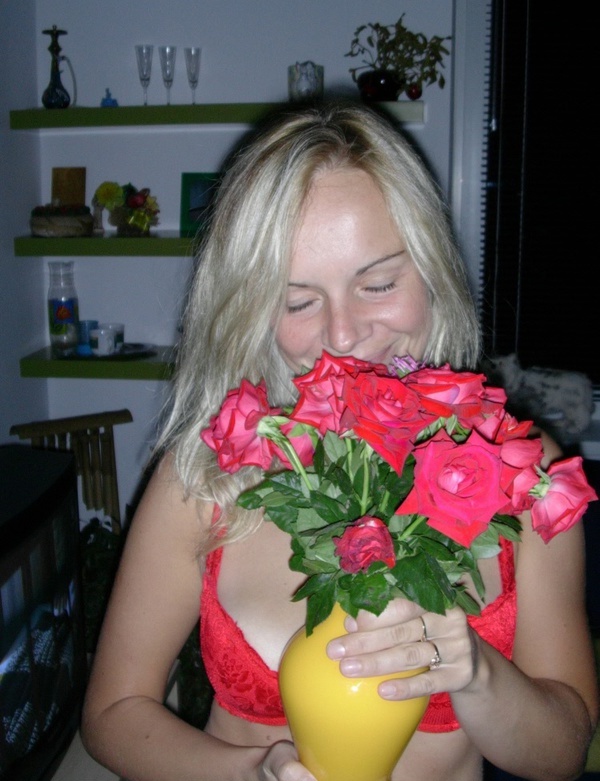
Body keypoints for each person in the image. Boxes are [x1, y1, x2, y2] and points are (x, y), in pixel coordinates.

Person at [81, 101, 598, 781]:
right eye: (298, 300)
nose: (344, 334)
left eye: (377, 284)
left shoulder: (521, 470)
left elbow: (564, 752)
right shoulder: (205, 475)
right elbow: (113, 712)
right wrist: (250, 773)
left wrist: (477, 674)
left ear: (432, 271)